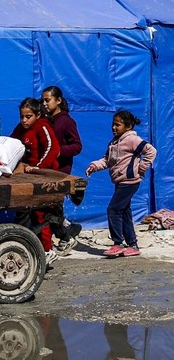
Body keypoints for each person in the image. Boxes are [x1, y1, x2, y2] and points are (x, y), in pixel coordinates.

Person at [86, 110, 157, 257]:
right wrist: (94, 166)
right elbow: (107, 160)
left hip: (129, 181)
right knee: (124, 212)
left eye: (117, 125)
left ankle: (117, 243)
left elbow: (151, 151)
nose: (114, 127)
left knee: (113, 209)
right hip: (120, 181)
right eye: (113, 124)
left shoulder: (132, 140)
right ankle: (132, 245)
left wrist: (141, 168)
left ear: (128, 126)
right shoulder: (113, 143)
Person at [10, 97, 61, 264]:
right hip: (28, 177)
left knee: (41, 214)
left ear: (38, 114)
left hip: (43, 177)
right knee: (24, 213)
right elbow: (10, 144)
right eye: (22, 116)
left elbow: (52, 149)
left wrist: (37, 167)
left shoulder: (42, 126)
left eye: (28, 116)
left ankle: (47, 250)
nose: (24, 120)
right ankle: (27, 248)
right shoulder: (20, 128)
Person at [42, 86, 83, 255]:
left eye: (47, 100)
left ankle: (66, 236)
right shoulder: (44, 120)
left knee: (53, 206)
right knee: (48, 206)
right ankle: (68, 229)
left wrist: (59, 151)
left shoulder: (66, 121)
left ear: (58, 101)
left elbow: (77, 146)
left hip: (60, 170)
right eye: (42, 100)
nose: (44, 104)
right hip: (45, 171)